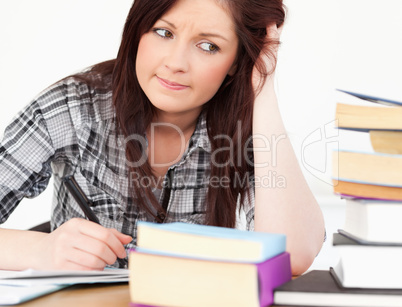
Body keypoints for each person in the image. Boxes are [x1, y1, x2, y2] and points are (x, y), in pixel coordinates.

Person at [0, 0, 324, 275]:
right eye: (163, 32)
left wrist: (262, 87)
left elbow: (293, 255)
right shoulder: (73, 107)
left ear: (237, 61)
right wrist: (40, 250)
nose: (175, 63)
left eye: (208, 46)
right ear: (138, 31)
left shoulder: (245, 130)